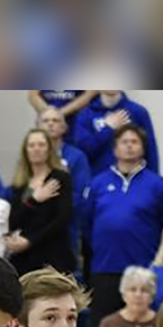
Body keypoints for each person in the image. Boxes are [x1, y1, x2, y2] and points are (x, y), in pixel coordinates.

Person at [83, 124, 163, 327]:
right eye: (124, 142)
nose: (129, 146)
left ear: (142, 148)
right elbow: (86, 224)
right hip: (105, 268)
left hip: (143, 269)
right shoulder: (98, 183)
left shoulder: (157, 185)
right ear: (115, 149)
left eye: (134, 142)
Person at [6, 128, 75, 276]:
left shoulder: (59, 178)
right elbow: (13, 221)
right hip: (25, 259)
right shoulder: (20, 184)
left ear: (49, 149)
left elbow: (61, 219)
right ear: (26, 150)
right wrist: (33, 200)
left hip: (53, 255)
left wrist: (30, 241)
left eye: (41, 145)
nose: (36, 149)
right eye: (32, 145)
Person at [36, 106, 91, 253]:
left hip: (68, 228)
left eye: (55, 120)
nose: (50, 124)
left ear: (64, 128)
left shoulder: (77, 157)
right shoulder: (31, 154)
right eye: (45, 121)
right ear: (38, 126)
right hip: (35, 227)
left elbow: (82, 194)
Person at [73, 90, 159, 177]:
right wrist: (108, 129)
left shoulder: (138, 112)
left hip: (134, 181)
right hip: (98, 181)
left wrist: (154, 182)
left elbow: (150, 151)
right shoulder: (86, 114)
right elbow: (84, 152)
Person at [27, 91, 98, 138]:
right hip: (48, 121)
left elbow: (90, 94)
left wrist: (61, 113)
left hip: (75, 121)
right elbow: (33, 96)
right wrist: (49, 113)